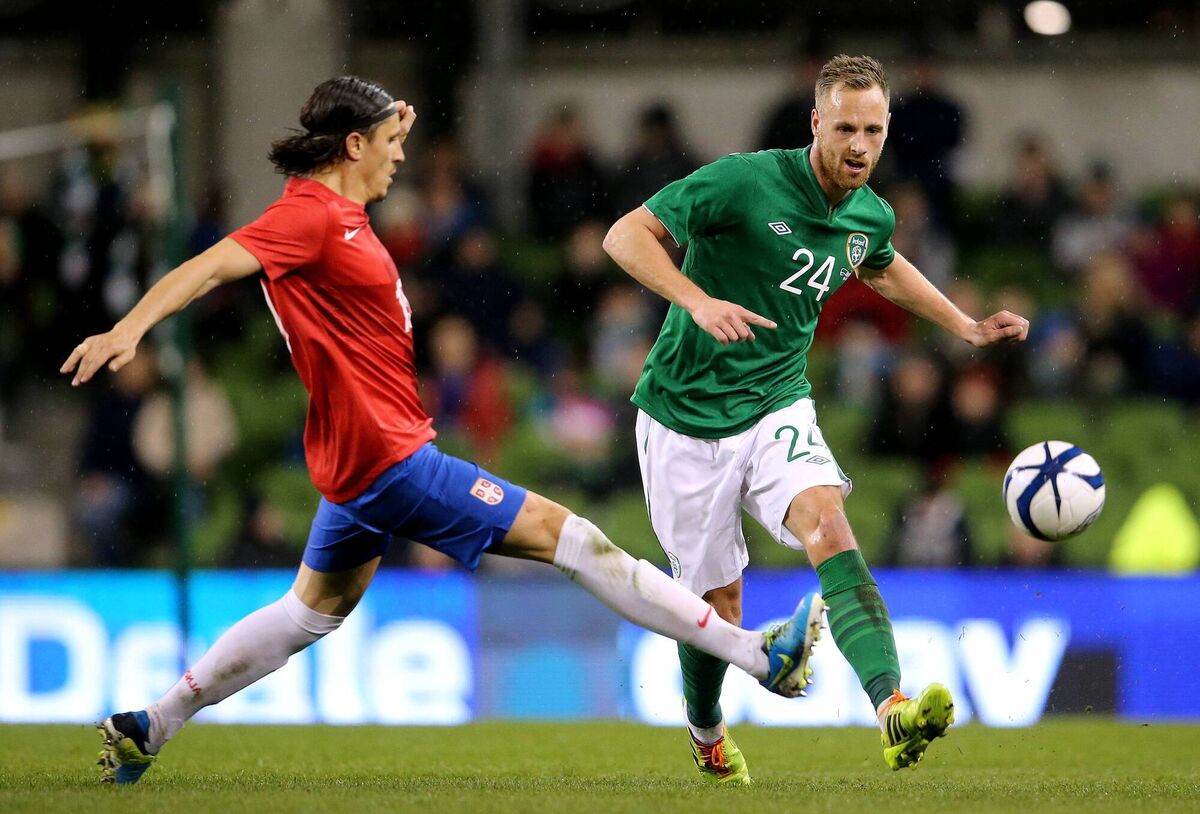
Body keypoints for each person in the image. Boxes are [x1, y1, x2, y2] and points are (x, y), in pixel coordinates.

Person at [63, 76, 823, 786]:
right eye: (390, 145)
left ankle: (154, 723)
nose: (401, 158)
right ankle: (759, 655)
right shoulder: (309, 215)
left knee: (307, 613)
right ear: (352, 146)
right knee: (576, 541)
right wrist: (129, 329)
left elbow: (344, 180)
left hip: (358, 466)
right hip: (392, 462)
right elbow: (205, 266)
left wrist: (387, 113)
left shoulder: (341, 215)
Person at [604, 55, 1030, 781]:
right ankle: (706, 731)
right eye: (845, 128)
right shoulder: (743, 181)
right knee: (718, 602)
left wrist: (961, 326)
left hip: (777, 401)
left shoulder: (869, 212)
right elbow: (625, 236)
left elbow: (881, 262)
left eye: (874, 129)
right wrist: (695, 300)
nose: (860, 145)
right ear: (815, 124)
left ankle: (889, 705)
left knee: (830, 524)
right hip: (684, 415)